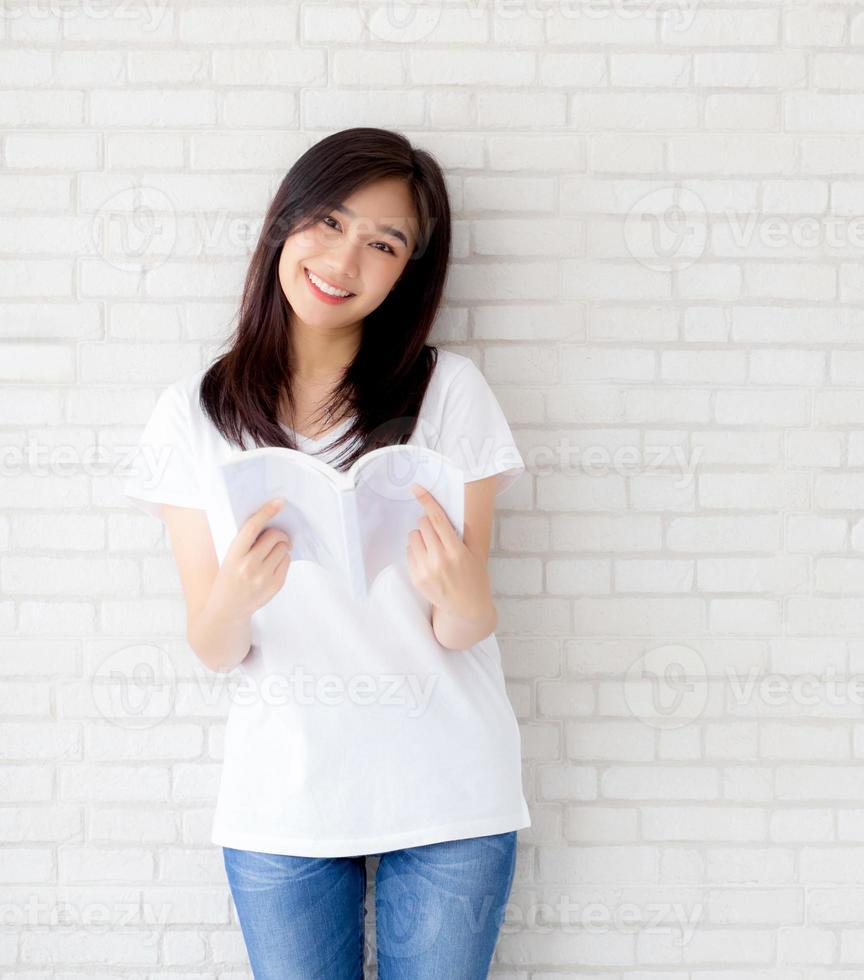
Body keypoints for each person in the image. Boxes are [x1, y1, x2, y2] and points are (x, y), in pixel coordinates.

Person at [122, 128, 528, 979]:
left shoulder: (447, 392)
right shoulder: (193, 412)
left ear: (408, 272)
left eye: (384, 244)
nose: (345, 260)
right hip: (284, 800)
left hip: (448, 788)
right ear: (285, 222)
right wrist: (234, 597)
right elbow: (212, 645)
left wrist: (457, 590)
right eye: (331, 222)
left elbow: (466, 626)